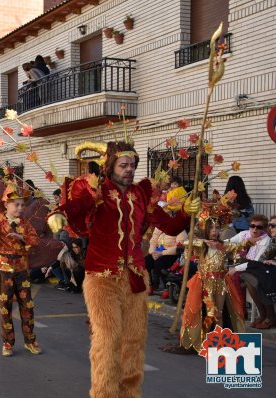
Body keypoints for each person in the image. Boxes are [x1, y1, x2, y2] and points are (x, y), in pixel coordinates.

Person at [48, 140, 199, 398]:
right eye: (123, 164)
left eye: (132, 165)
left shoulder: (142, 194)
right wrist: (57, 214)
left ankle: (130, 393)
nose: (129, 169)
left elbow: (171, 227)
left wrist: (185, 212)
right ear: (111, 165)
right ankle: (105, 393)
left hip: (136, 277)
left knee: (134, 340)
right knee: (107, 339)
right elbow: (74, 207)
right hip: (101, 277)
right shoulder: (97, 190)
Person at [167, 214, 251, 354]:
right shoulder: (201, 246)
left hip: (221, 283)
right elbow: (185, 243)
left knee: (219, 313)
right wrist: (203, 242)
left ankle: (220, 344)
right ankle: (204, 339)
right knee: (210, 312)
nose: (214, 231)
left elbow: (242, 246)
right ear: (206, 229)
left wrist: (253, 239)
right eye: (211, 228)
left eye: (217, 228)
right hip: (204, 284)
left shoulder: (224, 245)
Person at [0, 183, 42, 356]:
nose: (21, 208)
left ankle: (30, 340)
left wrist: (22, 237)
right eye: (17, 204)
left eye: (23, 205)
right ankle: (8, 343)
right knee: (5, 306)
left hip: (22, 269)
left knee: (27, 305)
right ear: (6, 204)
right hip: (4, 270)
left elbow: (36, 241)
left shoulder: (25, 224)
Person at [234, 215, 276, 329]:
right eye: (252, 226)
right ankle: (265, 315)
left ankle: (269, 316)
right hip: (264, 272)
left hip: (268, 274)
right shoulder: (273, 242)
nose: (270, 228)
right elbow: (261, 260)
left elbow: (258, 261)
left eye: (273, 226)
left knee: (255, 277)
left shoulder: (268, 241)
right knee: (251, 278)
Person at [145, 227, 188, 297]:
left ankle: (166, 287)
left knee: (159, 262)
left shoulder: (180, 229)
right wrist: (152, 252)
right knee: (146, 261)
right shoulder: (159, 226)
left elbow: (179, 247)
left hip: (172, 254)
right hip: (157, 252)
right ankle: (150, 284)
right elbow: (153, 241)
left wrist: (162, 253)